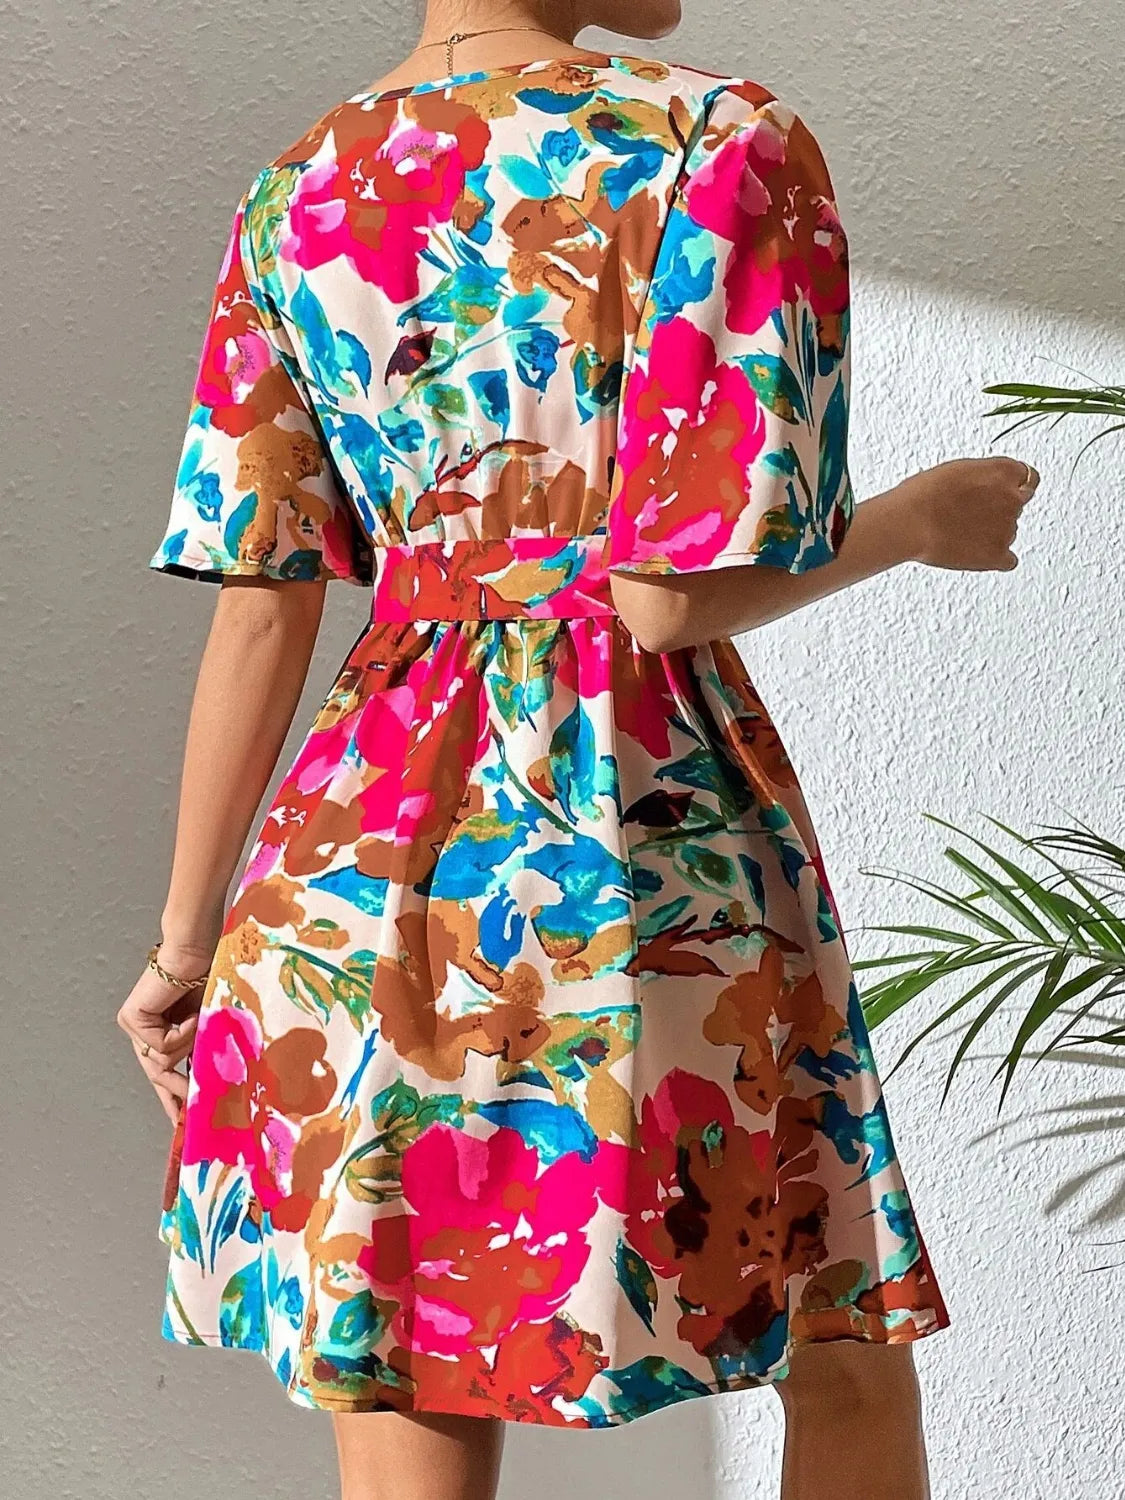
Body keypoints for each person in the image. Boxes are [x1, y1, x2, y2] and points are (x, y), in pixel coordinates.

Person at [116, 3, 1040, 1497]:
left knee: (405, 1350)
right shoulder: (716, 143)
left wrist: (182, 946)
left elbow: (260, 609)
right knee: (833, 1343)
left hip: (359, 863)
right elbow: (664, 600)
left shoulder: (301, 186)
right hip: (634, 849)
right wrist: (917, 519)